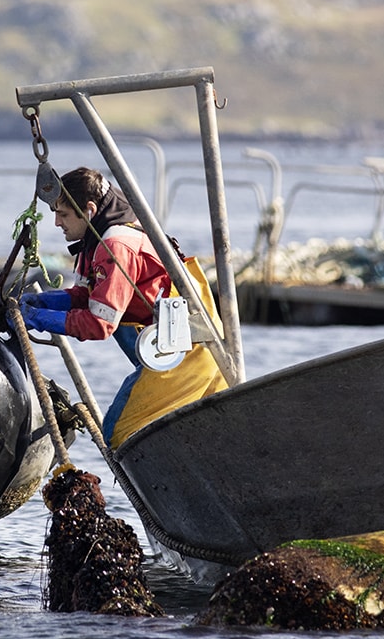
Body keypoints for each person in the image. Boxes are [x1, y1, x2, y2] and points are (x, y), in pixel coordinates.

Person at [16, 167, 227, 448]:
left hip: (187, 356)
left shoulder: (116, 245)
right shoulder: (99, 237)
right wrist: (46, 302)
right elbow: (88, 295)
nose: (56, 222)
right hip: (165, 352)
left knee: (119, 433)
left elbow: (99, 324)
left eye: (63, 214)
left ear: (89, 210)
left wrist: (38, 319)